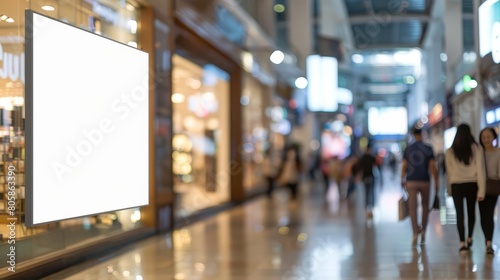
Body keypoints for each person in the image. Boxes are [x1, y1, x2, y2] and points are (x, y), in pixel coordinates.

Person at [445, 123, 486, 253]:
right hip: (472, 185)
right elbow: (481, 170)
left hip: (456, 185)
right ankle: (469, 237)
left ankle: (462, 243)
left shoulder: (450, 151)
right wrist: (482, 189)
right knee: (471, 213)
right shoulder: (476, 148)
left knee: (459, 214)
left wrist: (449, 189)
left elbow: (449, 173)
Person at [401, 127, 439, 246]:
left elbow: (404, 166)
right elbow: (432, 167)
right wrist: (436, 181)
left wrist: (402, 179)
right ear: (422, 134)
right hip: (425, 181)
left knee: (412, 208)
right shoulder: (428, 148)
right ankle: (423, 231)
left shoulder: (408, 149)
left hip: (411, 181)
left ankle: (415, 232)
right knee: (425, 206)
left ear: (413, 134)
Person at [478, 127, 500, 255]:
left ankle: (489, 242)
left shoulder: (498, 152)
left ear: (493, 137)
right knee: (482, 215)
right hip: (480, 187)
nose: (486, 139)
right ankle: (487, 239)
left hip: (493, 187)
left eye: (488, 136)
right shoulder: (478, 152)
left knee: (489, 213)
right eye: (483, 137)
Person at [358, 142, 379, 219]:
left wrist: (359, 176)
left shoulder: (362, 158)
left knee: (366, 193)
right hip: (371, 177)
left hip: (365, 177)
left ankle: (367, 209)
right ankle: (372, 208)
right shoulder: (372, 158)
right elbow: (375, 167)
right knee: (372, 193)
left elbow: (360, 168)